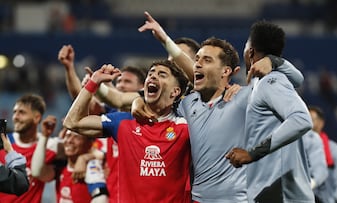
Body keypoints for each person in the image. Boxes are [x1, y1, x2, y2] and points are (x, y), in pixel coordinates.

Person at [134, 12, 304, 202]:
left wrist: (275, 61)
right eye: (197, 59)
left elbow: (296, 81)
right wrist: (138, 100)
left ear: (227, 71)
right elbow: (153, 103)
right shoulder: (187, 104)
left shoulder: (245, 97)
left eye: (207, 60)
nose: (197, 64)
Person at [63, 61, 191, 202]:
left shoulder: (186, 127)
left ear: (175, 91)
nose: (153, 77)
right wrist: (94, 82)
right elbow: (73, 122)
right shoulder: (123, 122)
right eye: (151, 73)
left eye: (162, 74)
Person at [225, 21, 314, 202]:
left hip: (280, 194)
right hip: (271, 192)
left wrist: (252, 153)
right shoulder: (265, 81)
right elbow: (299, 79)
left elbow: (301, 119)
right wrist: (274, 61)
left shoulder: (271, 82)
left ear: (251, 52)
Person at [58, 44, 145, 203]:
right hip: (113, 192)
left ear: (141, 89)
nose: (121, 85)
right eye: (119, 81)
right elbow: (81, 101)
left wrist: (89, 156)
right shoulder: (113, 114)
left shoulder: (146, 119)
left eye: (127, 82)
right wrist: (69, 68)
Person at [31, 115, 109, 203]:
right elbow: (37, 172)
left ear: (89, 143)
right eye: (67, 136)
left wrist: (85, 158)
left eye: (76, 137)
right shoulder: (61, 167)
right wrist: (44, 136)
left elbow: (101, 198)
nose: (69, 141)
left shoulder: (93, 166)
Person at [0, 94, 59, 203]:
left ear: (37, 118)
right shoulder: (3, 142)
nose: (15, 117)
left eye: (21, 112)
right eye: (14, 112)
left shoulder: (49, 146)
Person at [309, 106, 337, 203]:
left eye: (312, 119)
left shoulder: (335, 151)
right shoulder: (298, 146)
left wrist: (336, 200)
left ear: (321, 123)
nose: (309, 123)